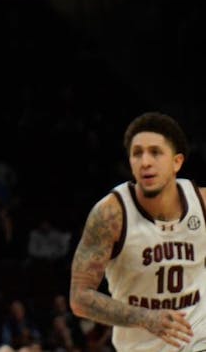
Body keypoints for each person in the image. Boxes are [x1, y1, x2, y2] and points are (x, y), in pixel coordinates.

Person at [68, 111, 204, 352]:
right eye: (137, 153)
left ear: (177, 162)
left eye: (155, 152)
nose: (145, 162)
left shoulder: (201, 203)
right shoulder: (111, 215)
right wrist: (146, 317)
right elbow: (80, 298)